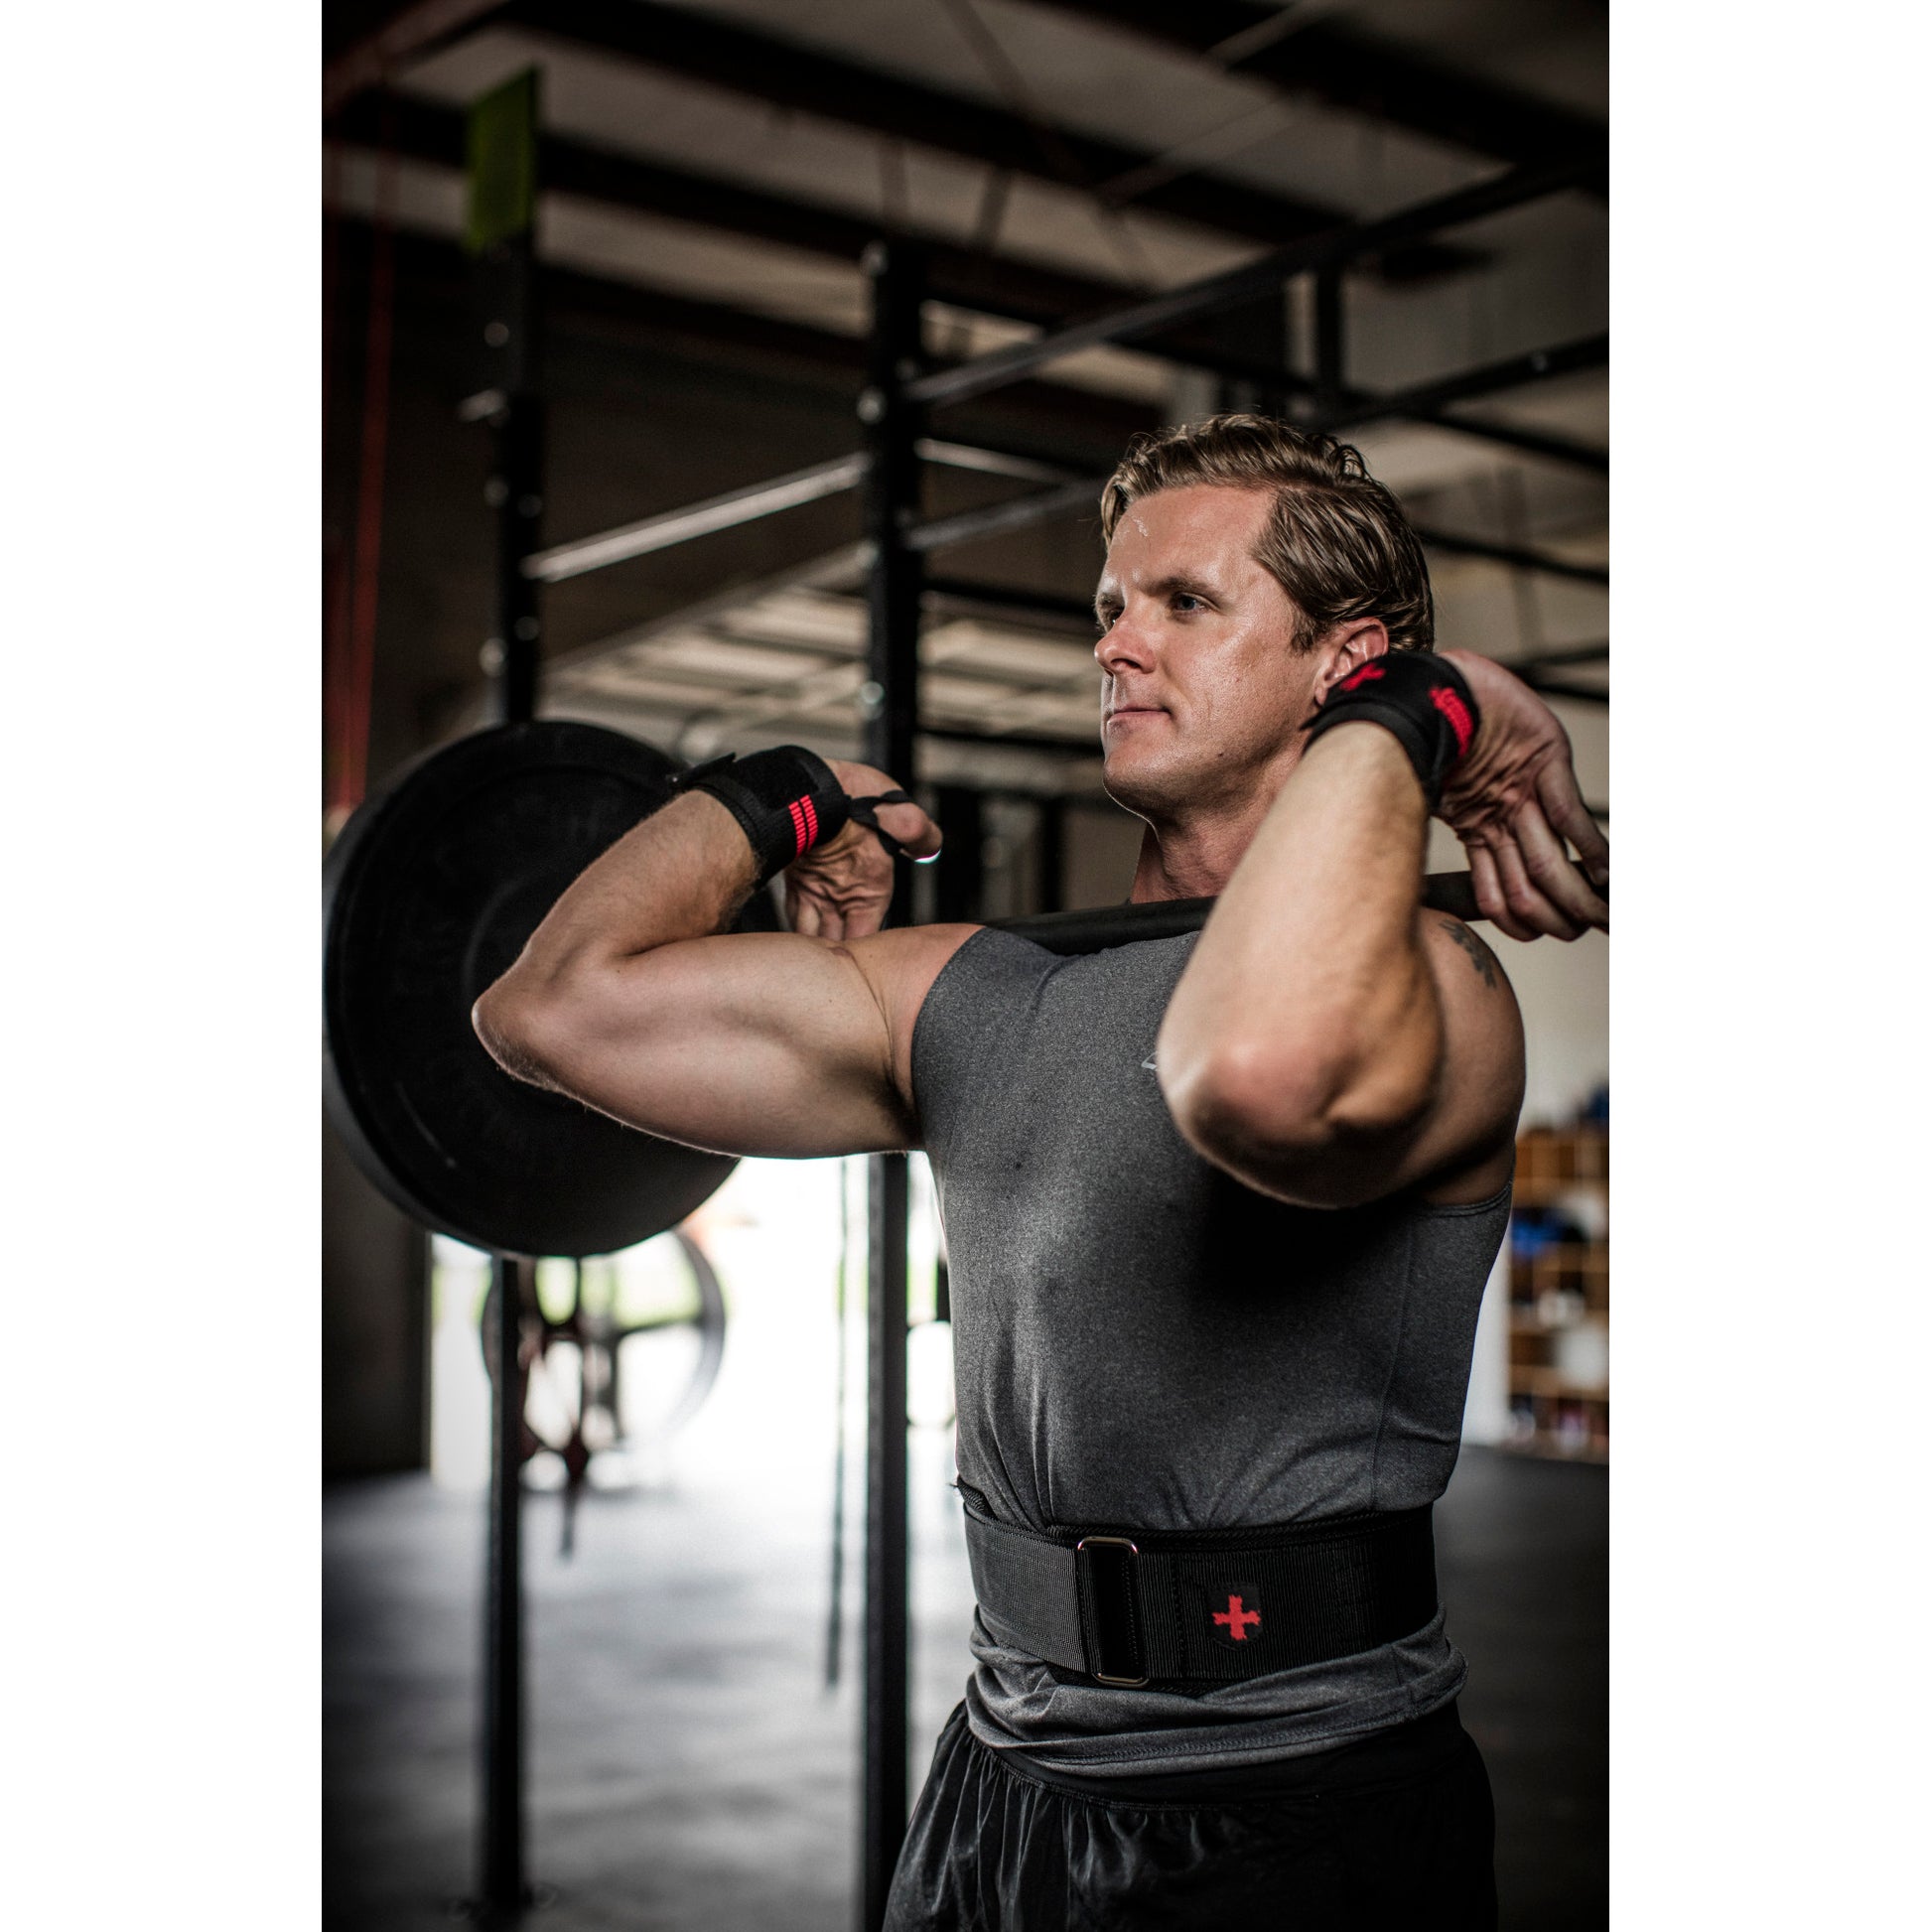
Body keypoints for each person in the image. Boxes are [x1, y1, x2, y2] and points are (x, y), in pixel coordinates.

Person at [473, 417, 1609, 1928]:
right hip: (1001, 1789)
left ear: (1344, 666)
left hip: (1298, 1803)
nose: (1117, 644)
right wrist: (771, 796)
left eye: (1185, 604)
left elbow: (1256, 1069)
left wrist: (1417, 716)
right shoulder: (975, 989)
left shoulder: (1437, 982)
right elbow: (550, 1010)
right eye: (1111, 607)